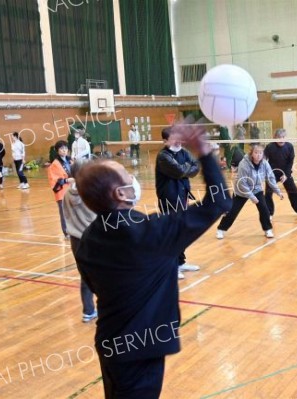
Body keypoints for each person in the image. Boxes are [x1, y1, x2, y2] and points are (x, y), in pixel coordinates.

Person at [74, 124, 231, 399]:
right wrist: (205, 152)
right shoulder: (151, 233)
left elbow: (94, 286)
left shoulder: (88, 239)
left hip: (110, 342)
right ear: (120, 194)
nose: (132, 178)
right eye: (126, 176)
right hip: (140, 349)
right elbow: (218, 203)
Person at [155, 127, 201, 279]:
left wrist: (186, 169)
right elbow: (180, 171)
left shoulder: (183, 152)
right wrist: (186, 170)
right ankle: (171, 266)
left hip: (182, 197)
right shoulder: (163, 156)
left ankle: (180, 262)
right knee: (171, 233)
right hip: (169, 199)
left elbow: (196, 167)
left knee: (180, 231)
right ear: (165, 141)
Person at [216, 143, 283, 239]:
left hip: (257, 189)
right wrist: (251, 197)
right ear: (252, 153)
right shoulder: (244, 164)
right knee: (233, 211)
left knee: (264, 209)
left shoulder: (264, 163)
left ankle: (267, 229)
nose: (259, 155)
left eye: (261, 153)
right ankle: (221, 229)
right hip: (241, 191)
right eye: (256, 152)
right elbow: (242, 182)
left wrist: (278, 191)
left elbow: (270, 177)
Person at [62, 161, 97, 323]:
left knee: (86, 276)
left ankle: (88, 310)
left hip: (75, 240)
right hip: (92, 238)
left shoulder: (67, 194)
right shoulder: (89, 194)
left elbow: (66, 216)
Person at [264, 128, 297, 217]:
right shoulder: (269, 147)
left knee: (293, 191)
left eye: (283, 137)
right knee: (268, 193)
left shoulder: (289, 146)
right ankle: (270, 213)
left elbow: (290, 162)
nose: (281, 139)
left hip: (285, 173)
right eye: (279, 137)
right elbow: (264, 160)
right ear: (275, 138)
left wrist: (286, 175)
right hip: (272, 174)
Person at [47, 140, 73, 237]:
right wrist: (67, 180)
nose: (64, 150)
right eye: (62, 149)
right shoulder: (55, 164)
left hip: (72, 191)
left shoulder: (70, 160)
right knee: (64, 213)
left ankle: (75, 230)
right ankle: (66, 232)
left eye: (66, 148)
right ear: (57, 151)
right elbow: (54, 181)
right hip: (62, 192)